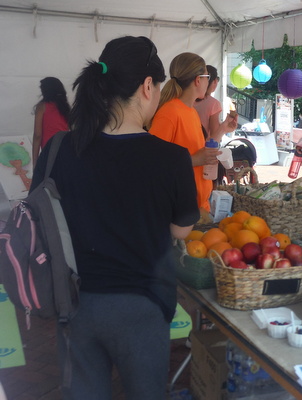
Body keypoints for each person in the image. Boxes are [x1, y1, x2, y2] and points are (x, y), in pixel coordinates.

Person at [29, 36, 200, 399]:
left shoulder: (59, 149)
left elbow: (39, 218)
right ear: (147, 86)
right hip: (141, 308)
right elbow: (182, 230)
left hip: (74, 305)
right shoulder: (170, 158)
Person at [150, 54, 237, 212]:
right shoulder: (169, 113)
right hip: (178, 211)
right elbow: (153, 164)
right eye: (207, 77)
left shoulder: (190, 111)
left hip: (198, 206)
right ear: (198, 80)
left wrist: (224, 128)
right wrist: (194, 160)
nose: (208, 81)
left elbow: (202, 149)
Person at [32, 77, 70, 167]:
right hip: (65, 148)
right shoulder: (65, 107)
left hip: (49, 150)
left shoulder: (42, 107)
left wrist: (35, 162)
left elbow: (38, 135)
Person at [193, 65, 236, 142]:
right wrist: (223, 128)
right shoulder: (213, 103)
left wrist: (224, 126)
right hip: (203, 148)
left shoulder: (188, 100)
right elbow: (214, 135)